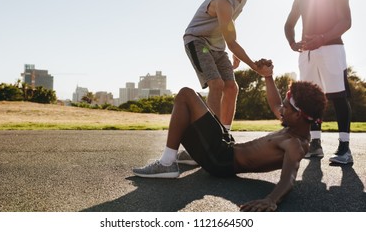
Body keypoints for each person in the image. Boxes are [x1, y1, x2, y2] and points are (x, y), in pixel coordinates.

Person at [133, 60, 327, 212]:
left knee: (186, 95)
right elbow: (275, 102)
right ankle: (192, 156)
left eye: (285, 107)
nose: (280, 109)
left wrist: (270, 200)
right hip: (226, 146)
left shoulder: (296, 144)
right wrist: (268, 77)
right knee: (192, 107)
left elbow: (289, 178)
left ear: (299, 114)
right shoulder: (292, 123)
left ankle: (167, 163)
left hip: (221, 160)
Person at [183, 0, 272, 132]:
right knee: (217, 84)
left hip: (217, 45)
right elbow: (231, 41)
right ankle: (212, 136)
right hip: (198, 41)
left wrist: (233, 50)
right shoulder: (223, 0)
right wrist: (254, 66)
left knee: (231, 88)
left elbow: (228, 26)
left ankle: (225, 134)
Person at [284, 0, 353, 164]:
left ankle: (344, 148)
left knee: (339, 97)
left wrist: (322, 38)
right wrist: (291, 42)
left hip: (332, 49)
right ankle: (315, 144)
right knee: (309, 100)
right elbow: (288, 25)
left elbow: (346, 21)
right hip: (307, 54)